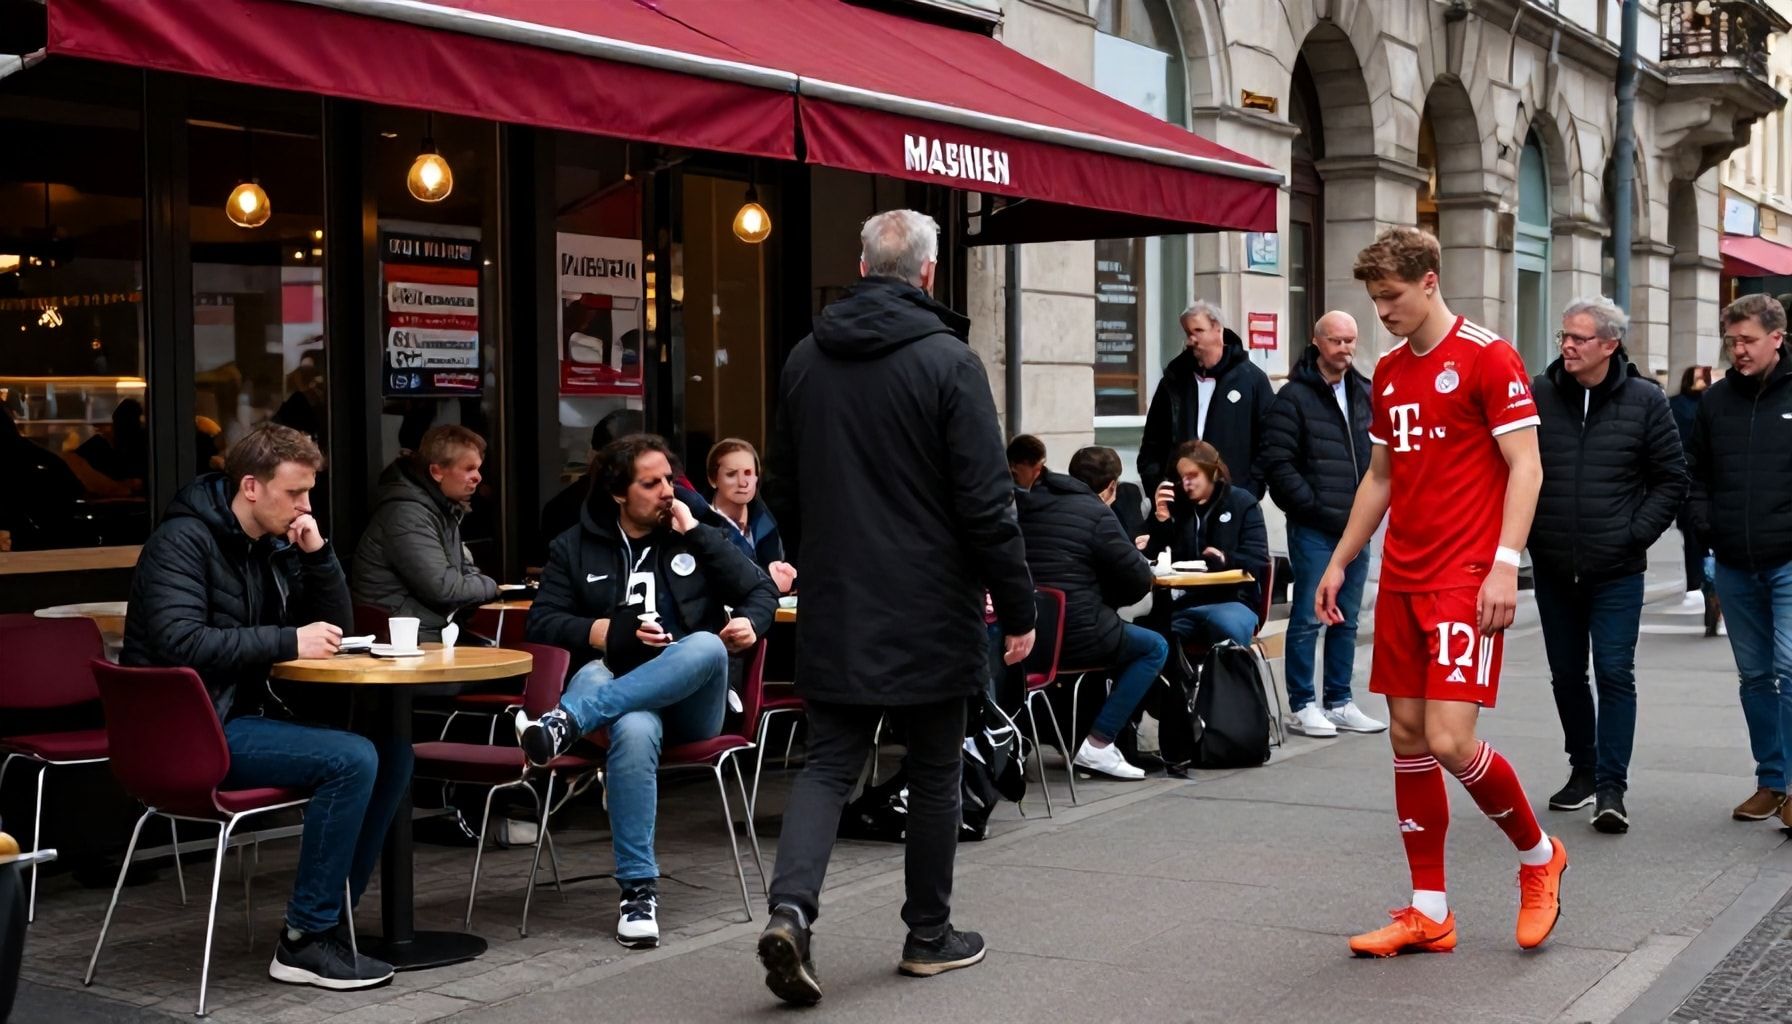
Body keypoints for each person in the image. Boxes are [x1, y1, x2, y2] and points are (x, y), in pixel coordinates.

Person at [756, 209, 1035, 1004]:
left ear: (861, 263)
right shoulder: (950, 362)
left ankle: (790, 913)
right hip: (931, 600)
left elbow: (781, 482)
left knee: (827, 765)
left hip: (839, 597)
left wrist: (821, 555)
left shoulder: (807, 357)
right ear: (928, 273)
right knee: (937, 766)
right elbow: (988, 505)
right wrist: (1018, 607)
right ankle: (927, 934)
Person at [1317, 226, 1565, 958]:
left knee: (1451, 740)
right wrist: (1339, 561)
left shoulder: (1489, 357)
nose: (1382, 312)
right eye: (1373, 299)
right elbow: (1382, 477)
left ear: (1429, 280)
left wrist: (1503, 563)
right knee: (1405, 737)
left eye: (1391, 298)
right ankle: (1430, 909)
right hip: (1403, 576)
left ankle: (1539, 854)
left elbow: (1527, 466)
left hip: (1463, 577)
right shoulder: (1389, 370)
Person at [120, 424, 405, 990]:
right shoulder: (181, 541)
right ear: (251, 486)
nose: (305, 506)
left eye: (309, 492)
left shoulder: (270, 546)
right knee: (353, 759)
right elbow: (181, 642)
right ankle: (304, 940)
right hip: (188, 731)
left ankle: (330, 922)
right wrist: (285, 641)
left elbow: (339, 626)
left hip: (237, 716)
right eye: (294, 493)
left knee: (392, 754)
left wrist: (318, 554)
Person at [517, 433, 777, 949]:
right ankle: (638, 891)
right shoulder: (574, 545)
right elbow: (542, 623)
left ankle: (566, 721)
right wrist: (607, 633)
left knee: (704, 645)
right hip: (626, 703)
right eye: (650, 482)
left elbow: (759, 590)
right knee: (630, 721)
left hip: (692, 703)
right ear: (618, 492)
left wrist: (748, 619)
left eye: (669, 480)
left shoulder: (693, 531)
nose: (666, 491)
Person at [1528, 297, 1686, 834]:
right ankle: (1583, 769)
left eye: (1579, 338)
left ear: (1610, 345)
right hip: (1553, 564)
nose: (1567, 346)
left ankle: (1612, 787)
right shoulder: (1539, 392)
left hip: (1617, 568)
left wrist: (1633, 535)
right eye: (1564, 337)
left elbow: (1672, 479)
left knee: (1615, 672)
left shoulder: (1645, 400)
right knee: (1567, 675)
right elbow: (1511, 467)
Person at [1686, 293, 1792, 827]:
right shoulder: (1717, 400)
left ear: (1778, 336)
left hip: (1789, 560)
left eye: (1748, 340)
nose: (1739, 350)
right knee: (1754, 676)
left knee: (1790, 667)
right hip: (1733, 558)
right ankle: (1772, 781)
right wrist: (1707, 523)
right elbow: (1695, 471)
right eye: (1732, 341)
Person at [1256, 310, 1385, 738]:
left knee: (1347, 616)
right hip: (1314, 525)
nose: (1346, 349)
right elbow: (1278, 463)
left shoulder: (1366, 392)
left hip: (1357, 526)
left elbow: (1379, 458)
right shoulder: (1293, 397)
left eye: (1351, 341)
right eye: (1337, 341)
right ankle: (1302, 703)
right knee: (1310, 616)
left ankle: (1339, 700)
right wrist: (1310, 506)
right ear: (1317, 343)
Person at [1015, 445, 1164, 779]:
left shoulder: (1030, 502)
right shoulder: (1097, 512)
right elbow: (1139, 577)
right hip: (1076, 632)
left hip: (1027, 633)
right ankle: (1098, 743)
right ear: (1111, 486)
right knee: (1155, 646)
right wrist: (1110, 599)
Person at [351, 425, 498, 643]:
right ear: (437, 472)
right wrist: (491, 586)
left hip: (425, 630)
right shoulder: (407, 513)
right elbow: (444, 588)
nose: (477, 477)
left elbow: (463, 572)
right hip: (402, 641)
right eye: (469, 468)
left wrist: (474, 582)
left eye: (478, 468)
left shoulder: (441, 508)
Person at [1137, 301, 1275, 497]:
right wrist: (1157, 485)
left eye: (1198, 331)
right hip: (1180, 497)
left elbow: (1270, 440)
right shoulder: (1174, 380)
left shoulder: (1251, 380)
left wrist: (1250, 488)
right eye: (1187, 333)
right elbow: (1152, 442)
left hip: (1233, 497)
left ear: (1218, 329)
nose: (1190, 340)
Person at [1144, 440, 1268, 648]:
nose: (1186, 484)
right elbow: (1153, 557)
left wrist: (1225, 559)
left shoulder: (1241, 503)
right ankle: (1182, 680)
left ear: (1212, 472)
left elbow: (1257, 560)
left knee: (1227, 627)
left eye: (1192, 476)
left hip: (1233, 599)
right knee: (1154, 639)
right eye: (1182, 477)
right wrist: (1160, 518)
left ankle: (1228, 678)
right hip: (1184, 602)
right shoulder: (1176, 506)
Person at [706, 438, 796, 594]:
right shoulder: (697, 522)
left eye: (748, 473)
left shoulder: (766, 522)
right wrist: (768, 578)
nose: (742, 482)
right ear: (713, 479)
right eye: (732, 474)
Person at [1669, 365, 1714, 617]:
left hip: (1708, 477)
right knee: (1692, 534)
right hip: (1686, 477)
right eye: (1699, 376)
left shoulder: (1713, 402)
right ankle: (1694, 584)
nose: (1703, 380)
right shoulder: (1675, 404)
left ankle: (1712, 588)